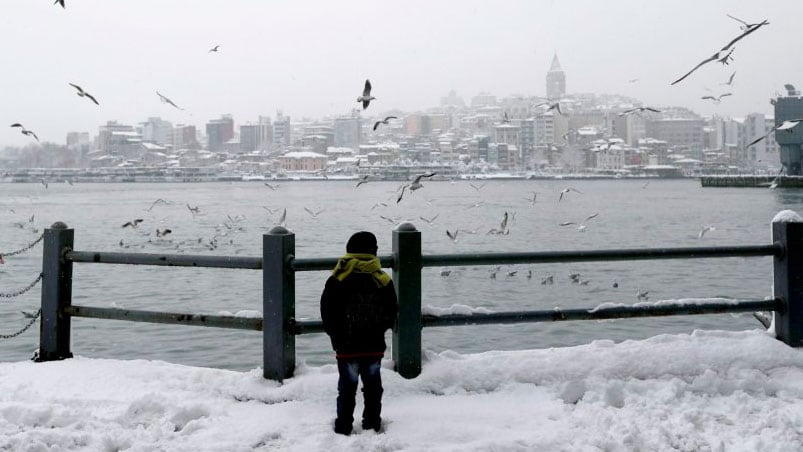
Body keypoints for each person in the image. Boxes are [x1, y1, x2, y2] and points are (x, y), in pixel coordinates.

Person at [320, 231, 398, 435]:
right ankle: (372, 423)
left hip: (346, 345)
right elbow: (392, 311)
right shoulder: (382, 279)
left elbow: (327, 310)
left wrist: (335, 335)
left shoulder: (338, 277)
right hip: (373, 345)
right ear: (373, 252)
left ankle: (344, 425)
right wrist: (380, 328)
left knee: (347, 387)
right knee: (373, 387)